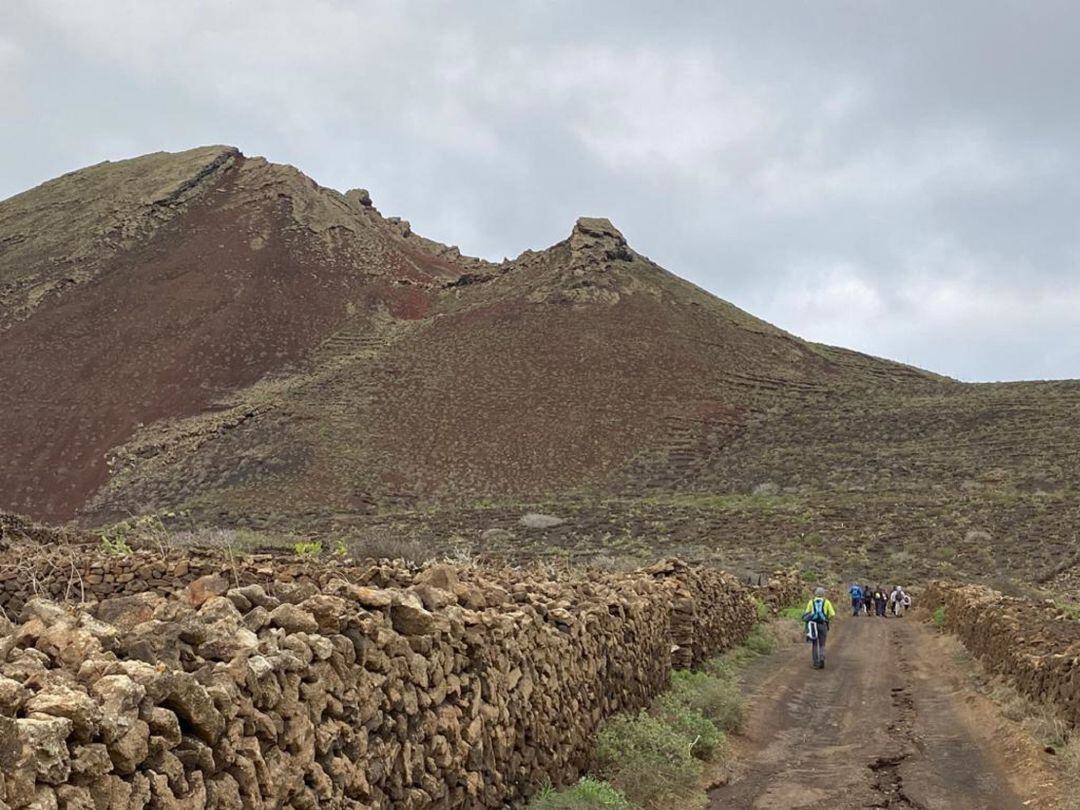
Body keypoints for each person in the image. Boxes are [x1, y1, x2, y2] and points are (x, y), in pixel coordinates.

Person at [803, 587, 835, 669]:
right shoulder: (826, 602)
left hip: (813, 625)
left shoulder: (811, 602)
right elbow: (832, 614)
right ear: (823, 594)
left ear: (815, 594)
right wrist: (826, 619)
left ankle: (815, 662)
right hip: (822, 624)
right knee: (822, 644)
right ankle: (822, 658)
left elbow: (807, 613)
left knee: (814, 644)